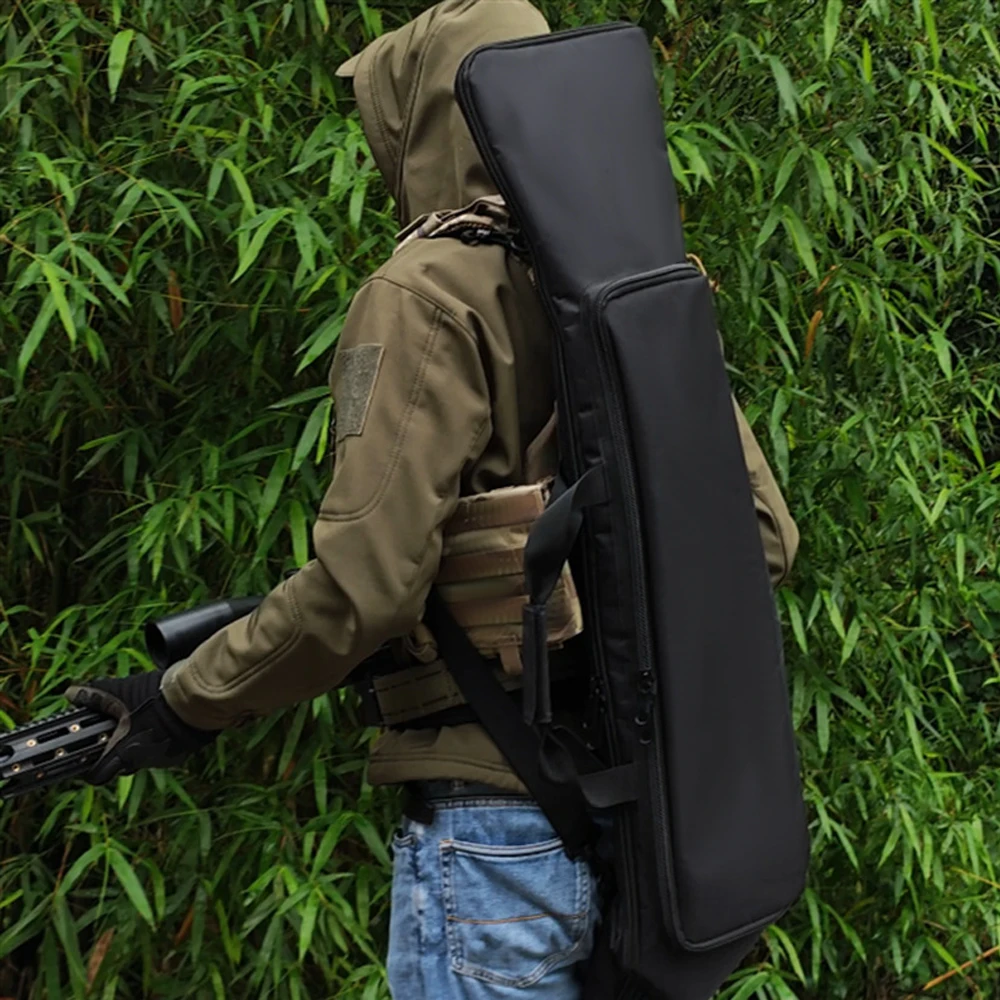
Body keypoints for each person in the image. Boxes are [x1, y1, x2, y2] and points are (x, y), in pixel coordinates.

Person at [67, 1, 800, 996]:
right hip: (644, 819)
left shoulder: (424, 293)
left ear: (424, 120)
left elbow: (363, 589)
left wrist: (182, 701)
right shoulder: (631, 279)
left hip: (495, 830)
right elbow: (761, 538)